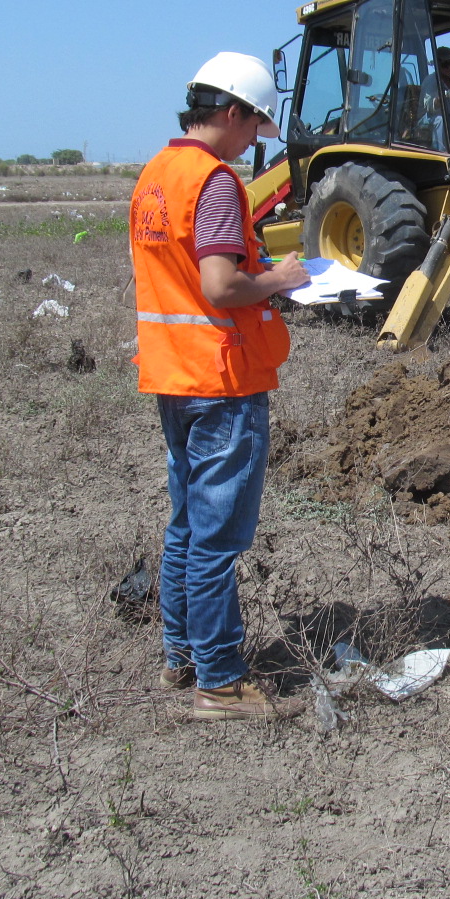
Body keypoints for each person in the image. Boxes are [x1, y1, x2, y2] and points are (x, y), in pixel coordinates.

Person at [129, 51, 311, 721]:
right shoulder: (212, 182)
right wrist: (282, 280)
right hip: (220, 380)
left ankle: (182, 657)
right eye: (254, 128)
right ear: (231, 113)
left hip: (173, 374)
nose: (253, 143)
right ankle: (222, 683)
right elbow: (220, 285)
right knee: (216, 540)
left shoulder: (156, 174)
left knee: (186, 528)